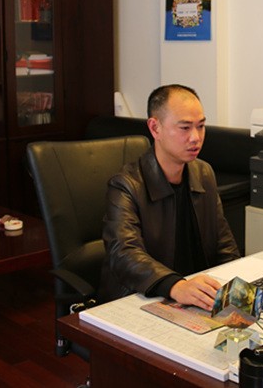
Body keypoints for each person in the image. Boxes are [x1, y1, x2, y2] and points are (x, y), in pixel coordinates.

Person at [98, 84, 240, 310]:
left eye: (201, 126)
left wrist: (238, 288)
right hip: (145, 297)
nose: (196, 137)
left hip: (193, 297)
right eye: (185, 128)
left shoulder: (204, 173)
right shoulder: (126, 184)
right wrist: (176, 286)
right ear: (155, 128)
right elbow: (124, 253)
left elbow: (223, 242)